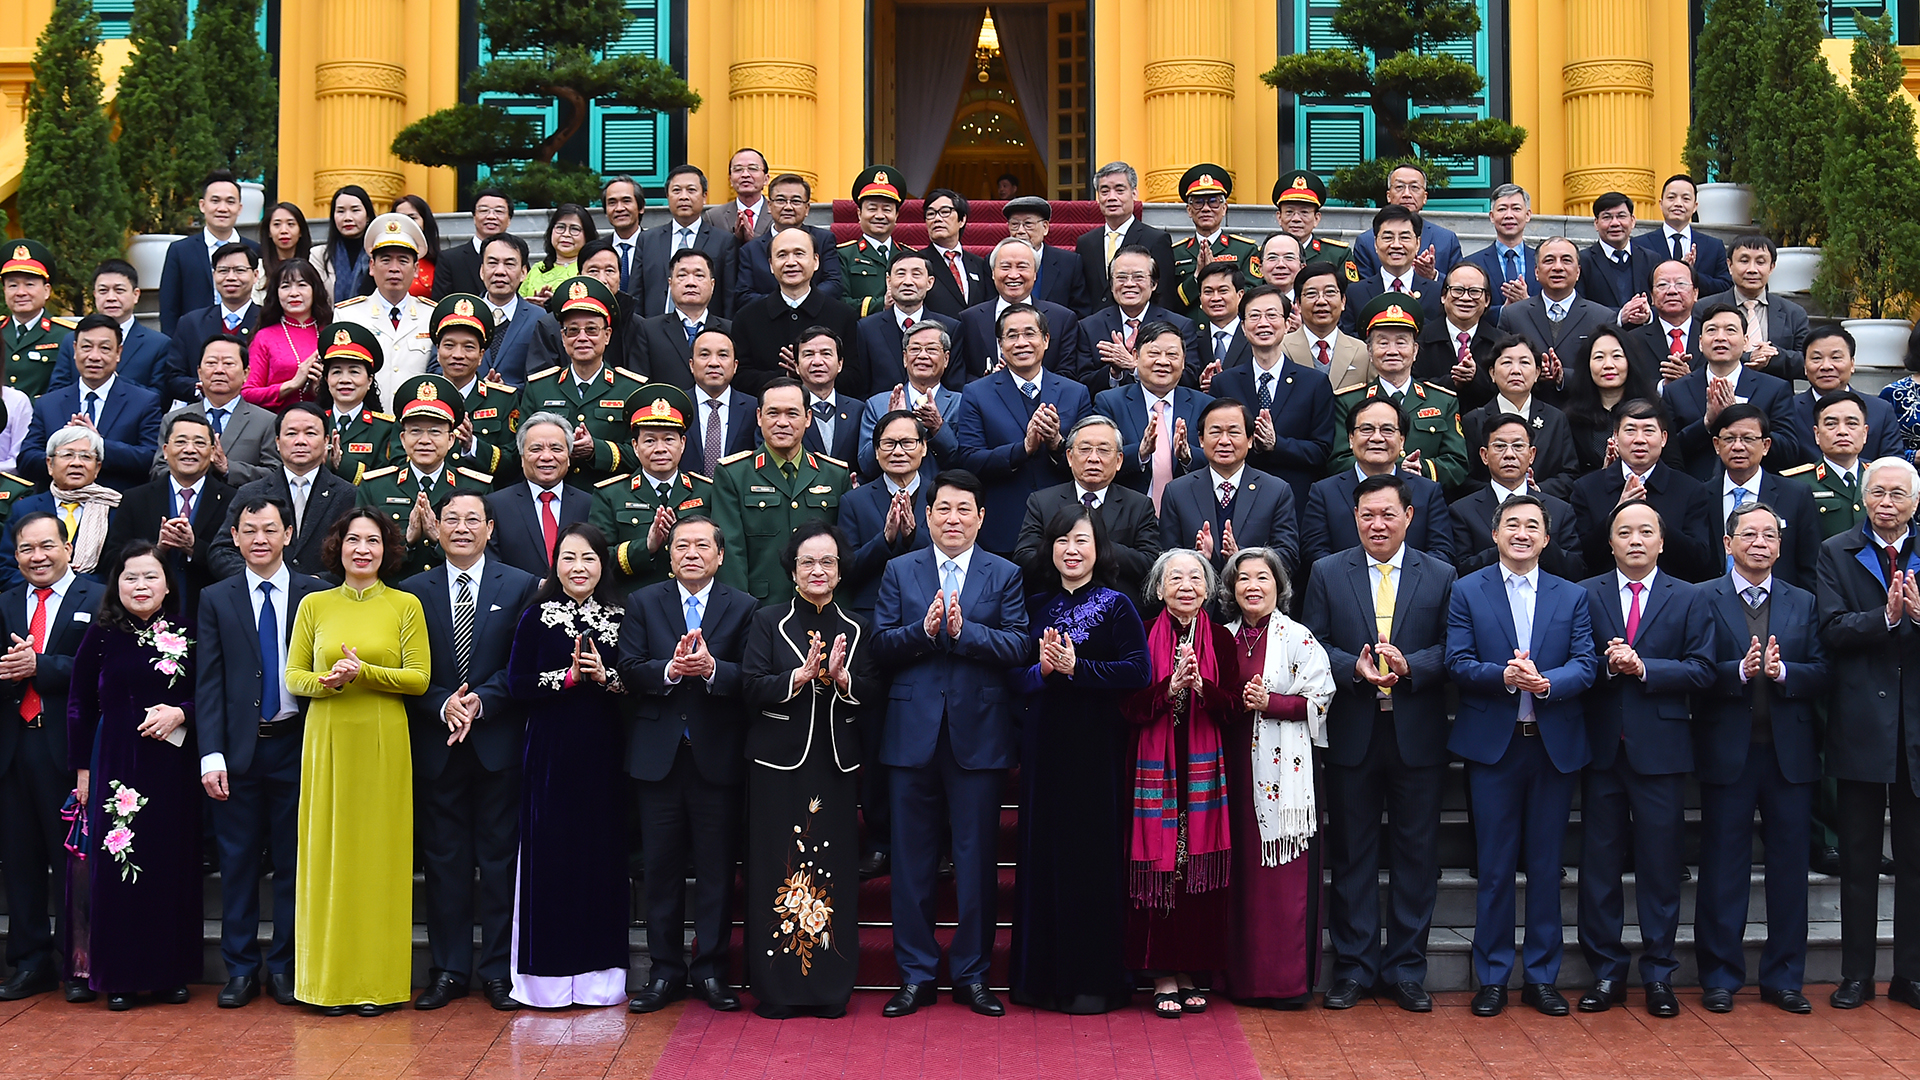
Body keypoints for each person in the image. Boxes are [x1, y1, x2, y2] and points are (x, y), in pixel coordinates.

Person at [872, 470, 1027, 1019]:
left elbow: (1018, 645)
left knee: (976, 862)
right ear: (928, 514)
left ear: (982, 517)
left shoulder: (1004, 573)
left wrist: (965, 634)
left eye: (965, 509)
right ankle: (915, 975)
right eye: (943, 509)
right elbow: (881, 646)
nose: (953, 518)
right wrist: (922, 631)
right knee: (911, 863)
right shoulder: (899, 570)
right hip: (910, 735)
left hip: (978, 737)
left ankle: (971, 974)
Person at [1303, 474, 1457, 1012]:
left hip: (1417, 733)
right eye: (1368, 515)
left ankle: (1407, 969)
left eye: (1388, 514)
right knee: (1352, 855)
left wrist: (1411, 666)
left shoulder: (1440, 574)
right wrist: (1356, 669)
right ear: (1355, 517)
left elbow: (1453, 647)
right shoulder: (1327, 571)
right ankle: (1355, 967)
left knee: (1416, 856)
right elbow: (1314, 642)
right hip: (1353, 731)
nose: (1378, 524)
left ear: (1409, 517)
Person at [1445, 494, 1600, 1017]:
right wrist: (1503, 677)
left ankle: (1541, 976)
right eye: (1512, 523)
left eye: (1533, 525)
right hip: (1494, 748)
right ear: (1495, 534)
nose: (1522, 532)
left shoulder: (1571, 595)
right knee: (1493, 868)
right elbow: (1458, 662)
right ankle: (1491, 977)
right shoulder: (1467, 589)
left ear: (1546, 538)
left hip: (1552, 747)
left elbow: (1586, 664)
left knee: (1545, 866)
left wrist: (1546, 683)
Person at [285, 508, 429, 1015]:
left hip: (384, 739)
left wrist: (363, 672)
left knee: (380, 861)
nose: (362, 549)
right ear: (337, 547)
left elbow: (419, 679)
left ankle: (379, 984)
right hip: (328, 739)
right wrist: (328, 683)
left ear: (387, 549)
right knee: (329, 858)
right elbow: (294, 677)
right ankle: (328, 984)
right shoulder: (314, 605)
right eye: (353, 540)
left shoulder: (405, 604)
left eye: (373, 541)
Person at [399, 491, 539, 1012]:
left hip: (496, 743)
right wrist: (444, 705)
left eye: (471, 520)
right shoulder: (412, 591)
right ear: (435, 529)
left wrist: (480, 703)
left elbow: (522, 664)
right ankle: (449, 969)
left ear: (489, 528)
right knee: (444, 864)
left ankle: (498, 973)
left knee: (500, 865)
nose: (460, 528)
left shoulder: (521, 584)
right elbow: (407, 667)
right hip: (439, 745)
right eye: (450, 519)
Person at [1574, 500, 1715, 1018]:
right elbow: (1574, 664)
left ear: (1662, 541)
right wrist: (1610, 667)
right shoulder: (1584, 594)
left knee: (1659, 867)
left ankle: (1659, 973)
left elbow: (1702, 671)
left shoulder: (1690, 597)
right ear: (1610, 542)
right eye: (1624, 531)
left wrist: (1644, 667)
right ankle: (1606, 971)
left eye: (1646, 531)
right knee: (1599, 867)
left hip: (1662, 750)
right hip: (1603, 748)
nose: (1635, 539)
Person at [1010, 507, 1150, 1013]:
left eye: (1082, 540)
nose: (1072, 549)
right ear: (1050, 549)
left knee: (1092, 861)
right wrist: (1045, 672)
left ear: (1099, 549)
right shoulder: (1035, 606)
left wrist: (1078, 668)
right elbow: (1016, 679)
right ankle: (1040, 980)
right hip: (1045, 747)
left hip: (1097, 750)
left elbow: (1139, 671)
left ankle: (1093, 982)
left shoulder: (1118, 605)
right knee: (1045, 857)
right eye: (1062, 540)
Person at [617, 516, 758, 1014]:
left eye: (702, 545)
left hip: (716, 757)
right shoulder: (643, 603)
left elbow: (752, 675)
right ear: (669, 555)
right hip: (659, 759)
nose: (691, 553)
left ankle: (712, 972)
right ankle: (664, 973)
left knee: (718, 870)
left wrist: (714, 670)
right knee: (661, 871)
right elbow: (629, 669)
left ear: (721, 555)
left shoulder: (743, 607)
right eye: (682, 546)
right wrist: (672, 670)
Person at [1694, 501, 1829, 1015]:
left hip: (1788, 755)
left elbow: (1822, 671)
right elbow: (1696, 669)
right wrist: (1740, 671)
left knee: (1789, 871)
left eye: (1769, 535)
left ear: (1780, 545)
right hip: (1728, 751)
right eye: (1748, 534)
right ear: (1728, 543)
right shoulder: (1702, 598)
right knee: (1723, 868)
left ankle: (1783, 977)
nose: (1760, 543)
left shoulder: (1804, 601)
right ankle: (1721, 977)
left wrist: (1784, 674)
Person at [740, 520, 877, 1019]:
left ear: (840, 571)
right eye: (807, 562)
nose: (817, 570)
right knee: (779, 867)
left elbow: (873, 692)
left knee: (830, 869)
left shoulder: (859, 627)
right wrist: (795, 678)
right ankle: (778, 989)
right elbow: (750, 686)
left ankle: (827, 988)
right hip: (779, 764)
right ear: (792, 570)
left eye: (827, 562)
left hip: (835, 764)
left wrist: (844, 681)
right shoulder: (767, 621)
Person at [196, 497, 325, 1009]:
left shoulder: (316, 593)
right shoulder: (216, 597)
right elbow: (207, 683)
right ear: (234, 537)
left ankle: (286, 967)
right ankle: (241, 969)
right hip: (239, 754)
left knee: (297, 866)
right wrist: (211, 754)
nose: (260, 539)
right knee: (238, 864)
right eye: (249, 530)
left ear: (288, 534)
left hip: (299, 746)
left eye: (270, 529)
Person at [501, 522, 630, 1008]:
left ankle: (601, 980)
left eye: (590, 559)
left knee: (600, 858)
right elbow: (518, 685)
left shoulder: (621, 615)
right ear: (556, 564)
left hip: (603, 751)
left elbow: (632, 683)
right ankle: (548, 981)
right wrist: (569, 678)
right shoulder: (536, 616)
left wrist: (607, 677)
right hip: (550, 755)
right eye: (570, 558)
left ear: (603, 565)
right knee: (550, 860)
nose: (579, 568)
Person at [65, 542, 199, 1009]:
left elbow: (211, 695)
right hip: (114, 766)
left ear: (167, 584)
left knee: (170, 863)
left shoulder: (188, 631)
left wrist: (182, 713)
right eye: (130, 578)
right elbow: (79, 705)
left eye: (150, 577)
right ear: (115, 584)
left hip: (172, 767)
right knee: (118, 870)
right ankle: (118, 976)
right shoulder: (101, 636)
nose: (140, 586)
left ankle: (168, 975)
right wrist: (82, 770)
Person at [1816, 455, 1920, 1010]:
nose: (1886, 503)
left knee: (1915, 860)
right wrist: (1885, 617)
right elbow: (1829, 628)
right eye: (1877, 492)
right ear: (1864, 496)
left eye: (1897, 495)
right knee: (1857, 857)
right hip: (1859, 722)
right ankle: (1856, 973)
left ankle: (1911, 974)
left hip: (1916, 729)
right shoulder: (1837, 551)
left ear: (1914, 502)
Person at [1216, 546, 1334, 1005]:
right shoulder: (1220, 636)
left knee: (1280, 881)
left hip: (1285, 782)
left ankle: (1282, 984)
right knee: (1237, 877)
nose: (1252, 586)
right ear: (1231, 588)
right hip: (1229, 771)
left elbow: (1322, 698)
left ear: (1278, 586)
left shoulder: (1298, 637)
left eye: (1262, 578)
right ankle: (1235, 979)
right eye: (1243, 578)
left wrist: (1273, 703)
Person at [0, 512, 107, 1001]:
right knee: (19, 860)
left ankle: (76, 962)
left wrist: (41, 666)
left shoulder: (98, 597)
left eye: (47, 546)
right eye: (26, 549)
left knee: (73, 863)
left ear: (68, 548)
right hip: (12, 748)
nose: (37, 557)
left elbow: (104, 667)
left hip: (65, 748)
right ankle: (28, 961)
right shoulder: (3, 603)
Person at [1121, 550, 1233, 1018]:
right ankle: (1162, 972)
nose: (1186, 585)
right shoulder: (1142, 632)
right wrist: (1168, 689)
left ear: (1208, 589)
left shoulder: (1222, 640)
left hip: (1204, 774)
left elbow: (1232, 707)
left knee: (1194, 877)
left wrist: (1202, 687)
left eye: (1195, 577)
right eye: (1175, 578)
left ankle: (1190, 970)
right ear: (1159, 588)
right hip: (1153, 773)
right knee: (1162, 870)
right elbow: (1126, 705)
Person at [952, 303, 1093, 553]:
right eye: (1012, 336)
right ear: (1000, 344)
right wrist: (1023, 449)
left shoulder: (1075, 392)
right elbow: (969, 459)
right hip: (1003, 527)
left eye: (1030, 334)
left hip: (1065, 528)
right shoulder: (977, 393)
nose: (1021, 343)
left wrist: (1057, 444)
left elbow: (1089, 461)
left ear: (1046, 339)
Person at [710, 378, 849, 601]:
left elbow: (843, 552)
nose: (782, 422)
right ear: (759, 417)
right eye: (773, 413)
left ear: (808, 418)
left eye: (792, 414)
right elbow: (730, 552)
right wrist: (739, 609)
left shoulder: (834, 474)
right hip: (760, 606)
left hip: (821, 605)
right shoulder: (734, 474)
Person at [1206, 286, 1334, 508]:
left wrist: (1277, 444)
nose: (1263, 323)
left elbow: (1321, 451)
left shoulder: (1314, 383)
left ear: (1286, 324)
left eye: (1272, 315)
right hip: (1238, 500)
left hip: (1296, 499)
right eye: (1254, 316)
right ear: (1244, 328)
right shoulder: (1224, 383)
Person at [357, 373, 496, 577]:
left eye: (434, 431)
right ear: (402, 439)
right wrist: (408, 542)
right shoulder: (375, 486)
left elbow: (487, 556)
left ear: (450, 440)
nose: (424, 440)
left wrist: (439, 540)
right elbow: (362, 552)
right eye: (415, 431)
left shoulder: (477, 487)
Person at [1013, 416, 1163, 601]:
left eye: (1103, 450)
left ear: (1119, 460)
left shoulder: (1138, 505)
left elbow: (1150, 563)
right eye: (1084, 450)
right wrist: (1066, 554)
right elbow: (1024, 557)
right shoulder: (1042, 502)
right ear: (1069, 457)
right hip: (1055, 605)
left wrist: (1098, 547)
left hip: (1117, 609)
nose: (1093, 458)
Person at [1568, 398, 1717, 581]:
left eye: (1648, 431)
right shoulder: (1586, 488)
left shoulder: (1690, 489)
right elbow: (1580, 558)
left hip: (1671, 597)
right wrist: (1615, 514)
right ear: (1615, 436)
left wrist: (1653, 521)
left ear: (1663, 438)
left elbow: (1700, 559)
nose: (1639, 440)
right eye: (1630, 430)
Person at [519, 275, 647, 487]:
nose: (582, 338)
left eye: (591, 330)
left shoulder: (632, 389)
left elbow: (643, 454)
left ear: (607, 335)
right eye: (573, 330)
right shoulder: (539, 387)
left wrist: (597, 449)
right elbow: (522, 450)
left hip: (609, 503)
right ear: (562, 337)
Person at [1329, 294, 1467, 491]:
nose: (1392, 351)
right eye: (1383, 343)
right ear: (1369, 351)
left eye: (1401, 342)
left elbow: (1457, 464)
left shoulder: (1442, 400)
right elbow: (1338, 461)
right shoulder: (1349, 401)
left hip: (1423, 499)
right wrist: (1388, 469)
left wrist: (1423, 469)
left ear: (1415, 350)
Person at [103, 412, 235, 615]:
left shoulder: (232, 500)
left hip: (211, 615)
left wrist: (193, 548)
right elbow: (112, 560)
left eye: (199, 443)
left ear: (212, 452)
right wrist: (155, 551)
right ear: (165, 450)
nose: (189, 450)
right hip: (145, 616)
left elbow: (238, 565)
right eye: (181, 442)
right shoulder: (135, 498)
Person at [1302, 397, 1453, 574]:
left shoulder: (1428, 492)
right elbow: (1315, 554)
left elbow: (1442, 553)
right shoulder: (1324, 493)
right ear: (1351, 438)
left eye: (1387, 430)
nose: (1376, 438)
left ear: (1402, 440)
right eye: (1366, 429)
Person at [208, 404, 359, 579]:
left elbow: (359, 552)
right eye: (291, 433)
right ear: (278, 442)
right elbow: (221, 551)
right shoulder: (250, 493)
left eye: (310, 433)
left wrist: (322, 580)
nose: (300, 441)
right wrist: (262, 577)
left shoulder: (348, 495)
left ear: (326, 441)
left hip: (326, 598)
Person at [19, 313, 163, 492]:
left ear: (118, 353)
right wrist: (64, 454)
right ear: (75, 349)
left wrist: (99, 445)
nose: (94, 356)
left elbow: (151, 459)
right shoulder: (49, 403)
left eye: (104, 348)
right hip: (57, 506)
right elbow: (26, 460)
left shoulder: (144, 401)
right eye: (86, 347)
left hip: (117, 507)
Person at [1660, 302, 1801, 480]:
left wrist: (1742, 420)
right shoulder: (1676, 391)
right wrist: (1706, 424)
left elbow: (1789, 452)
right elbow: (1667, 452)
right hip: (1695, 492)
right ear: (1700, 343)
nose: (1720, 337)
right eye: (1712, 330)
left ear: (1745, 342)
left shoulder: (1774, 389)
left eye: (1730, 330)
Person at [1157, 398, 1300, 574]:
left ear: (1249, 440)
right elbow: (1166, 558)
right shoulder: (1177, 492)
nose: (1224, 441)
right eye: (1215, 432)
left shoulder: (1276, 491)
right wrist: (1197, 558)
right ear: (1201, 440)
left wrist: (1241, 558)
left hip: (1252, 596)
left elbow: (1288, 556)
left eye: (1234, 432)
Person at [590, 389, 710, 591]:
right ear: (635, 446)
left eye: (669, 439)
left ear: (683, 444)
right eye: (650, 440)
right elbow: (597, 559)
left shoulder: (707, 491)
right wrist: (646, 547)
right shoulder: (610, 494)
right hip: (635, 603)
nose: (660, 448)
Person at [1450, 413, 1585, 579]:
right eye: (1499, 446)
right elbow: (1459, 570)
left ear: (1532, 455)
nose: (1509, 454)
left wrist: (1537, 542)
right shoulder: (1462, 511)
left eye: (1518, 446)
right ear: (1484, 455)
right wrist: (1509, 545)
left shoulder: (1560, 510)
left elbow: (1576, 569)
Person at [1095, 320, 1213, 508]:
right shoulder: (1110, 403)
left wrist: (1187, 457)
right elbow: (1098, 458)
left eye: (1172, 355)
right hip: (1128, 513)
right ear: (1135, 356)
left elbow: (1219, 460)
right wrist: (1140, 453)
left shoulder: (1204, 405)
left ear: (1183, 361)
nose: (1163, 361)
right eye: (1154, 353)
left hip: (1189, 513)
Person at [1704, 404, 1821, 589]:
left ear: (1766, 445)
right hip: (1712, 605)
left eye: (1748, 439)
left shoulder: (1796, 495)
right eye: (1729, 439)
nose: (1738, 447)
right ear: (1717, 445)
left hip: (1780, 605)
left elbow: (1809, 565)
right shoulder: (1701, 495)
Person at [953, 237, 1091, 384]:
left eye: (1022, 267)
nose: (1013, 275)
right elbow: (961, 375)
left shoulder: (1062, 319)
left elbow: (1067, 374)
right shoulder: (969, 319)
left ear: (1035, 273)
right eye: (1005, 267)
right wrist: (989, 383)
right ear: (993, 273)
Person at [333, 213, 435, 409]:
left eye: (403, 261)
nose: (394, 269)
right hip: (367, 426)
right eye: (386, 260)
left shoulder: (431, 315)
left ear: (416, 269)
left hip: (417, 425)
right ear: (372, 266)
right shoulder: (348, 315)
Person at [0, 427, 122, 591]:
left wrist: (69, 587)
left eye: (86, 456)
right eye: (67, 455)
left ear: (97, 467)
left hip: (95, 602)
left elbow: (119, 571)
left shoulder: (116, 508)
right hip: (31, 599)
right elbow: (6, 568)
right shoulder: (25, 509)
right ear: (50, 464)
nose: (76, 463)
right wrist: (44, 587)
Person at [1459, 333, 1580, 497]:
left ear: (1537, 373)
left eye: (1524, 363)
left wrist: (1535, 491)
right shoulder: (1473, 420)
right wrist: (1504, 492)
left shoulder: (1556, 419)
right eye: (1507, 363)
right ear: (1492, 373)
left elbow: (1569, 475)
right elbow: (1463, 478)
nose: (1516, 370)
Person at [156, 332, 283, 488]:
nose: (219, 370)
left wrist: (228, 468)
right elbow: (158, 470)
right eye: (211, 363)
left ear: (245, 373)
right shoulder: (174, 419)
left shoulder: (266, 421)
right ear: (199, 372)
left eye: (229, 364)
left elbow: (276, 475)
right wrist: (189, 470)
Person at [1074, 245, 1199, 397]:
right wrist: (1114, 372)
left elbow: (1190, 379)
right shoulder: (1089, 326)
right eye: (1121, 277)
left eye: (1138, 277)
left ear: (1154, 284)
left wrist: (1134, 367)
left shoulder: (1180, 326)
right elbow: (1082, 383)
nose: (1129, 284)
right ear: (1112, 285)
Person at [425, 293, 521, 481]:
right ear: (438, 352)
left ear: (481, 355)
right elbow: (397, 456)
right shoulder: (418, 398)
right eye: (449, 345)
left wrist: (472, 445)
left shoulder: (503, 399)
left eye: (468, 347)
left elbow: (513, 461)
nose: (458, 354)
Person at [486, 413, 593, 578]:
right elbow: (492, 568)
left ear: (569, 457)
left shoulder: (589, 504)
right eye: (536, 449)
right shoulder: (495, 505)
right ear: (522, 458)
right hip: (518, 601)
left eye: (556, 449)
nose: (546, 457)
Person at [858, 319, 964, 481]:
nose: (922, 356)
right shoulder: (877, 404)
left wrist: (938, 428)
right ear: (905, 358)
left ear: (946, 359)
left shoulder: (962, 403)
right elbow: (867, 466)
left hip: (942, 498)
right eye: (915, 349)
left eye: (931, 349)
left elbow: (963, 462)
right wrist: (888, 424)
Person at [158, 171, 259, 334]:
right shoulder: (181, 251)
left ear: (239, 208)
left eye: (230, 202)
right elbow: (169, 308)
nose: (222, 208)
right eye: (215, 201)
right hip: (194, 339)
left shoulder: (255, 250)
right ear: (202, 205)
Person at [1700, 235, 1810, 383]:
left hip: (1774, 399)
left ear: (1772, 267)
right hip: (1719, 390)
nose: (1752, 269)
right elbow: (1697, 357)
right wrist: (1749, 357)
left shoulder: (1794, 313)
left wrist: (1772, 356)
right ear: (1729, 265)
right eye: (1744, 261)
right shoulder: (1703, 308)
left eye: (1760, 262)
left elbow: (1808, 362)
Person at [1498, 236, 1613, 377]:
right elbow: (1501, 365)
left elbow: (1608, 369)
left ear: (1578, 272)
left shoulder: (1603, 318)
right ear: (1536, 272)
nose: (1558, 267)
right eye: (1549, 261)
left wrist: (1564, 376)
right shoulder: (1512, 316)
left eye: (1566, 260)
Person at [164, 241, 263, 404]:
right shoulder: (190, 323)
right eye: (223, 271)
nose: (231, 277)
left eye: (239, 270)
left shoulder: (268, 321)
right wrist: (201, 388)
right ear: (214, 275)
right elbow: (173, 376)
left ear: (255, 275)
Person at [52, 259, 170, 393]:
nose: (111, 298)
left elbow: (161, 398)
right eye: (103, 291)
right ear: (94, 295)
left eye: (119, 290)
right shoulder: (71, 340)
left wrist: (115, 382)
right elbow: (57, 390)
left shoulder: (158, 344)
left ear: (135, 295)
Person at [1791, 326, 1904, 464]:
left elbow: (1893, 464)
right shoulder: (1788, 409)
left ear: (1852, 364)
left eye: (1836, 358)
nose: (1826, 366)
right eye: (1816, 358)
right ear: (1805, 366)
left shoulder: (1880, 410)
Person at [732, 174, 843, 312]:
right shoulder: (751, 249)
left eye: (796, 201)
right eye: (780, 200)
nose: (788, 207)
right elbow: (744, 294)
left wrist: (803, 301)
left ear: (807, 208)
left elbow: (834, 284)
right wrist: (784, 303)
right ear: (769, 206)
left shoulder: (824, 240)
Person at [638, 165, 737, 319]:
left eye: (691, 190)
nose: (683, 197)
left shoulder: (724, 241)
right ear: (668, 196)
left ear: (704, 196)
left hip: (706, 333)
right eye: (676, 190)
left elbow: (729, 296)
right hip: (654, 331)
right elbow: (637, 293)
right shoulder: (647, 239)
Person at [1078, 162, 1179, 312]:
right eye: (1104, 191)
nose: (1111, 197)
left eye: (1119, 190)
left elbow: (1164, 295)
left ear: (1134, 193)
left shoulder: (1156, 239)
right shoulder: (1086, 242)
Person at [1561, 324, 1660, 474]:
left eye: (1617, 356)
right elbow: (1570, 476)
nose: (1608, 365)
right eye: (1599, 357)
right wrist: (1605, 475)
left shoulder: (1654, 408)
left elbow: (1673, 465)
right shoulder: (1571, 418)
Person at [1168, 165, 1261, 325]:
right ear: (1189, 210)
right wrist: (1196, 277)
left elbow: (1251, 295)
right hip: (1189, 335)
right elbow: (1169, 302)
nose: (1206, 209)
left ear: (1224, 208)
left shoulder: (1245, 249)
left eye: (1213, 202)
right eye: (1198, 203)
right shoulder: (1176, 252)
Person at [242, 258, 333, 413]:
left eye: (302, 285)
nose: (294, 293)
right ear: (276, 293)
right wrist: (292, 384)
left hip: (322, 423)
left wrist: (321, 389)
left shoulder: (331, 333)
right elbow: (247, 393)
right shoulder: (264, 337)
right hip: (277, 424)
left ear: (314, 289)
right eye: (285, 286)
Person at [632, 249, 732, 390]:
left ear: (712, 284)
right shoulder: (648, 330)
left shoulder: (730, 330)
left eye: (699, 275)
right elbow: (640, 384)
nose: (691, 283)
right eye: (682, 275)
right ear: (670, 283)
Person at [1340, 207, 1445, 337]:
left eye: (1404, 237)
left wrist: (1414, 313)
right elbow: (1349, 340)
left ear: (1417, 243)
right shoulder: (1355, 293)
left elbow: (1442, 338)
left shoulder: (1437, 292)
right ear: (1375, 244)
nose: (1396, 245)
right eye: (1388, 237)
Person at [1351, 165, 1463, 284]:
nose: (1407, 194)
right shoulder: (1366, 241)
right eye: (1399, 187)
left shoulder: (1446, 240)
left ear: (1425, 197)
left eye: (1414, 187)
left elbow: (1460, 285)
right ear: (1388, 196)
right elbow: (1363, 291)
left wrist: (1433, 276)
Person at [314, 321, 394, 485]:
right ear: (327, 379)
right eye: (336, 372)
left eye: (354, 372)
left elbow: (387, 481)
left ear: (369, 380)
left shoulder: (386, 428)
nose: (345, 380)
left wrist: (343, 464)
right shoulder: (313, 423)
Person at [1788, 390, 1873, 542]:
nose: (1842, 432)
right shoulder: (1795, 484)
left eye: (1852, 424)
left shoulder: (1878, 477)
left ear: (1865, 433)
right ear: (1817, 434)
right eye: (1831, 424)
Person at [1630, 175, 1733, 295]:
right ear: (1661, 204)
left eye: (1686, 199)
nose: (1678, 203)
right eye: (1671, 197)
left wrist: (1690, 273)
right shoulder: (1640, 244)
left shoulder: (1713, 246)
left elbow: (1725, 287)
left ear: (1695, 206)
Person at [1414, 263, 1498, 408]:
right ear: (1443, 296)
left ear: (1487, 300)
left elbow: (1508, 392)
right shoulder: (1419, 340)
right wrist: (1452, 381)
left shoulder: (1501, 343)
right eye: (1458, 290)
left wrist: (1475, 377)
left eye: (1474, 291)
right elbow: (1409, 386)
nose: (1465, 298)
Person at [1284, 262, 1370, 391]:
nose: (1321, 301)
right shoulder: (1280, 350)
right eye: (1312, 294)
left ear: (1343, 301)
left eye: (1329, 292)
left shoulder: (1363, 352)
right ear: (1298, 303)